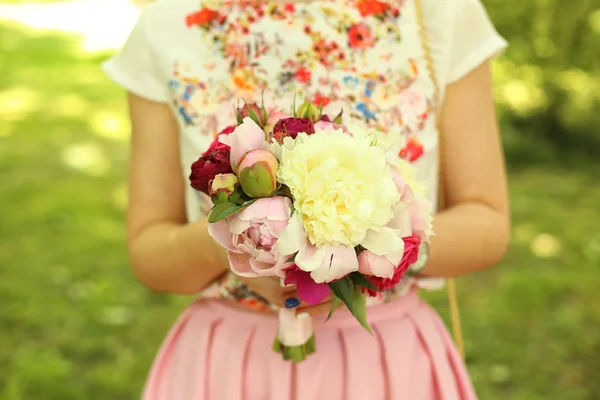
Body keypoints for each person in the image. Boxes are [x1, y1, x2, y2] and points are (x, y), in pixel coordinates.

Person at [103, 0, 510, 398]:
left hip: (386, 363)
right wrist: (235, 246)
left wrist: (366, 253)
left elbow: (486, 221)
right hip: (231, 364)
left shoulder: (440, 12)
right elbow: (149, 249)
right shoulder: (169, 23)